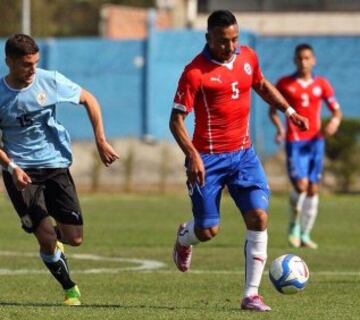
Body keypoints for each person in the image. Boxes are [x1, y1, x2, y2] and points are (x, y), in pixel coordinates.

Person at [170, 10, 308, 312]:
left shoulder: (248, 57)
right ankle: (185, 236)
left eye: (234, 39)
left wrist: (288, 111)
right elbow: (176, 120)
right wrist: (192, 155)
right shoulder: (195, 72)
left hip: (243, 155)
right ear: (209, 38)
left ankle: (251, 294)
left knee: (258, 217)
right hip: (207, 159)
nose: (230, 46)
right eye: (222, 41)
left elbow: (260, 84)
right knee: (208, 230)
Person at [0, 34, 119, 305]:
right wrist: (11, 167)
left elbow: (89, 99)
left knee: (75, 238)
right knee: (45, 235)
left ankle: (52, 236)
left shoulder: (49, 80)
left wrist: (100, 140)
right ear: (9, 62)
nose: (32, 70)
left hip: (55, 165)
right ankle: (69, 288)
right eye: (26, 65)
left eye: (35, 63)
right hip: (21, 172)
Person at [269, 44, 342, 249]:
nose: (303, 62)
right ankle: (293, 225)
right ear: (294, 60)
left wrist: (334, 123)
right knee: (300, 186)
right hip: (295, 141)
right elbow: (273, 111)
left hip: (316, 142)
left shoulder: (322, 84)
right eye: (300, 58)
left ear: (314, 60)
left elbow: (336, 111)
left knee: (313, 189)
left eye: (307, 58)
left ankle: (305, 234)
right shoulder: (284, 84)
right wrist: (280, 129)